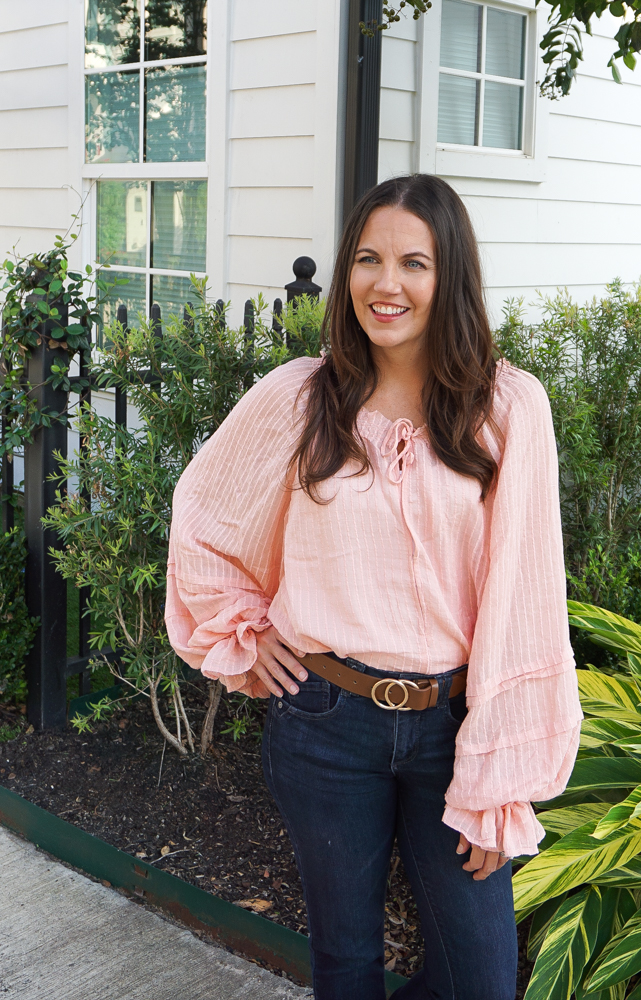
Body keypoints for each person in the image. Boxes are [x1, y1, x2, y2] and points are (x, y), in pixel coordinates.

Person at [165, 174, 582, 1000]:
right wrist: (249, 627)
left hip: (453, 726)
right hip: (324, 723)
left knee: (483, 981)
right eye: (368, 259)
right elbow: (203, 516)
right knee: (346, 968)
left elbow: (527, 596)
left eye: (414, 263)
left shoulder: (506, 408)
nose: (385, 284)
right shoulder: (299, 398)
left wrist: (499, 776)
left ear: (449, 275)